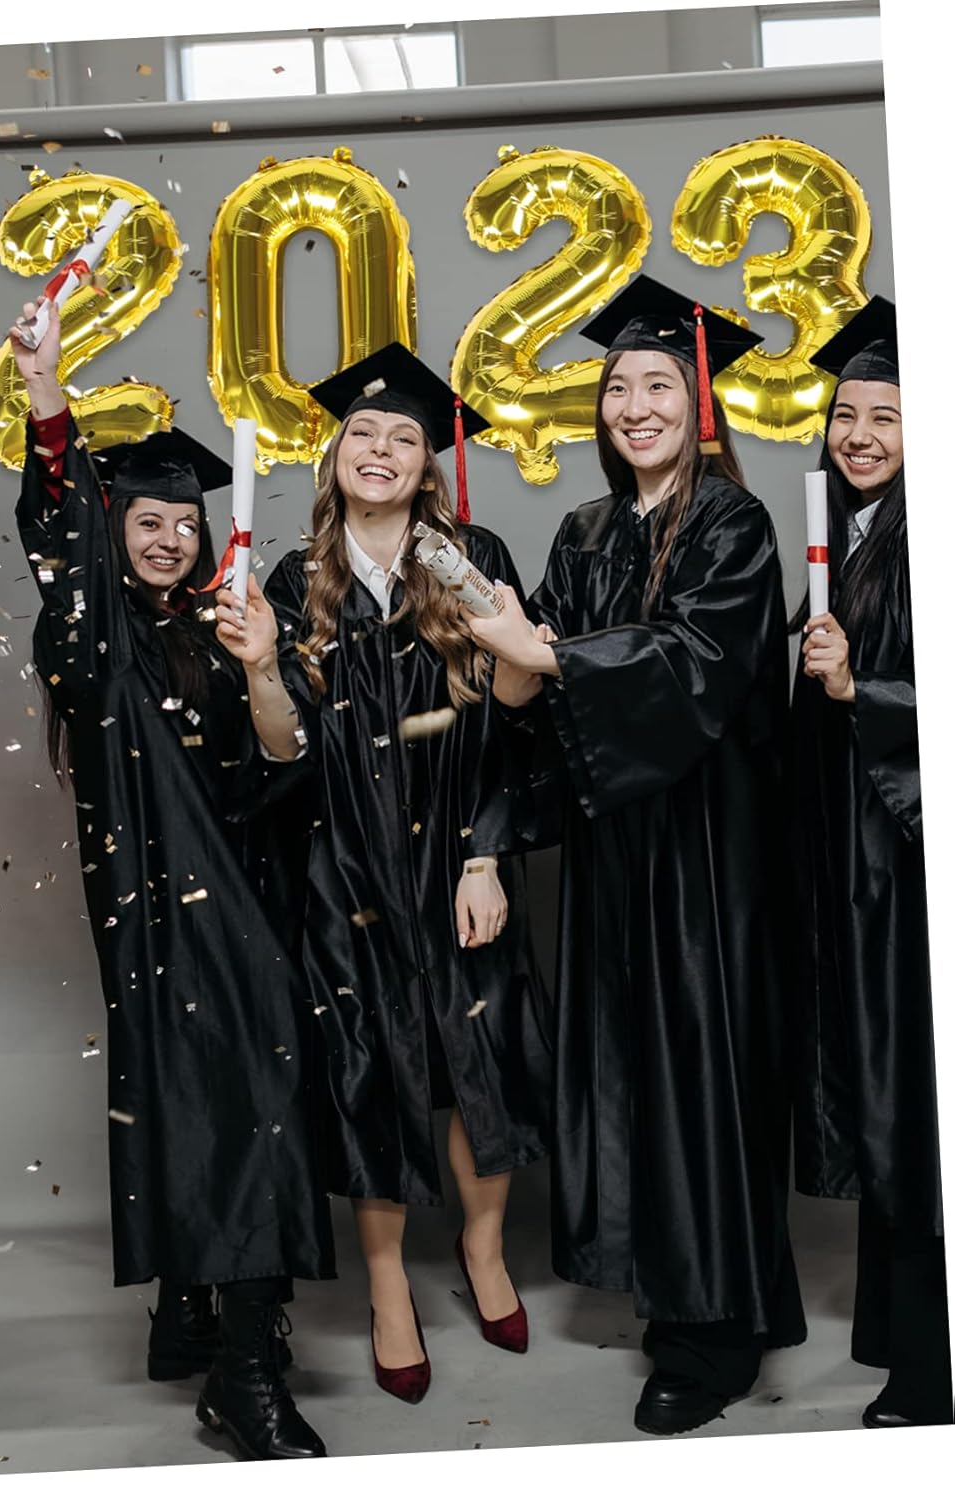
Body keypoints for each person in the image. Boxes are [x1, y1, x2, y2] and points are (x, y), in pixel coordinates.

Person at [463, 275, 806, 1435]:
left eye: (660, 384)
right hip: (619, 858)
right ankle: (680, 1291)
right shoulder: (586, 531)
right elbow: (536, 685)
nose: (636, 406)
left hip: (710, 860)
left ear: (700, 403)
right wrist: (512, 662)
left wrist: (546, 659)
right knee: (635, 1077)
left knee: (702, 1079)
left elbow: (697, 666)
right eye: (619, 387)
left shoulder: (733, 524)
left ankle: (715, 1336)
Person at [8, 299, 334, 1461]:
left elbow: (285, 766)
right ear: (113, 529)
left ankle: (189, 1313)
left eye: (184, 524)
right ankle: (243, 1374)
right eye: (145, 521)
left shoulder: (225, 626)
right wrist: (48, 394)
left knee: (207, 1101)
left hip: (249, 898)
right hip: (161, 910)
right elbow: (62, 538)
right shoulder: (88, 636)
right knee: (236, 1104)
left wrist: (264, 668)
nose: (168, 540)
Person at [214, 342, 553, 1407]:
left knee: (477, 1062)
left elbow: (515, 718)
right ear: (335, 456)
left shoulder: (471, 558)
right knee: (369, 1074)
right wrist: (260, 667)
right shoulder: (293, 581)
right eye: (362, 432)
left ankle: (483, 1252)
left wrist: (487, 852)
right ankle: (387, 1287)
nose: (380, 449)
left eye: (404, 436)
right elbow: (283, 749)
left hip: (459, 857)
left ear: (426, 464)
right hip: (344, 873)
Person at [788, 297, 949, 1428]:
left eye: (886, 416)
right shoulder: (842, 534)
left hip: (913, 862)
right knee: (883, 1093)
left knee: (919, 1102)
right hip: (853, 861)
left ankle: (934, 1366)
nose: (859, 436)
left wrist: (862, 690)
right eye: (846, 414)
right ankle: (898, 1325)